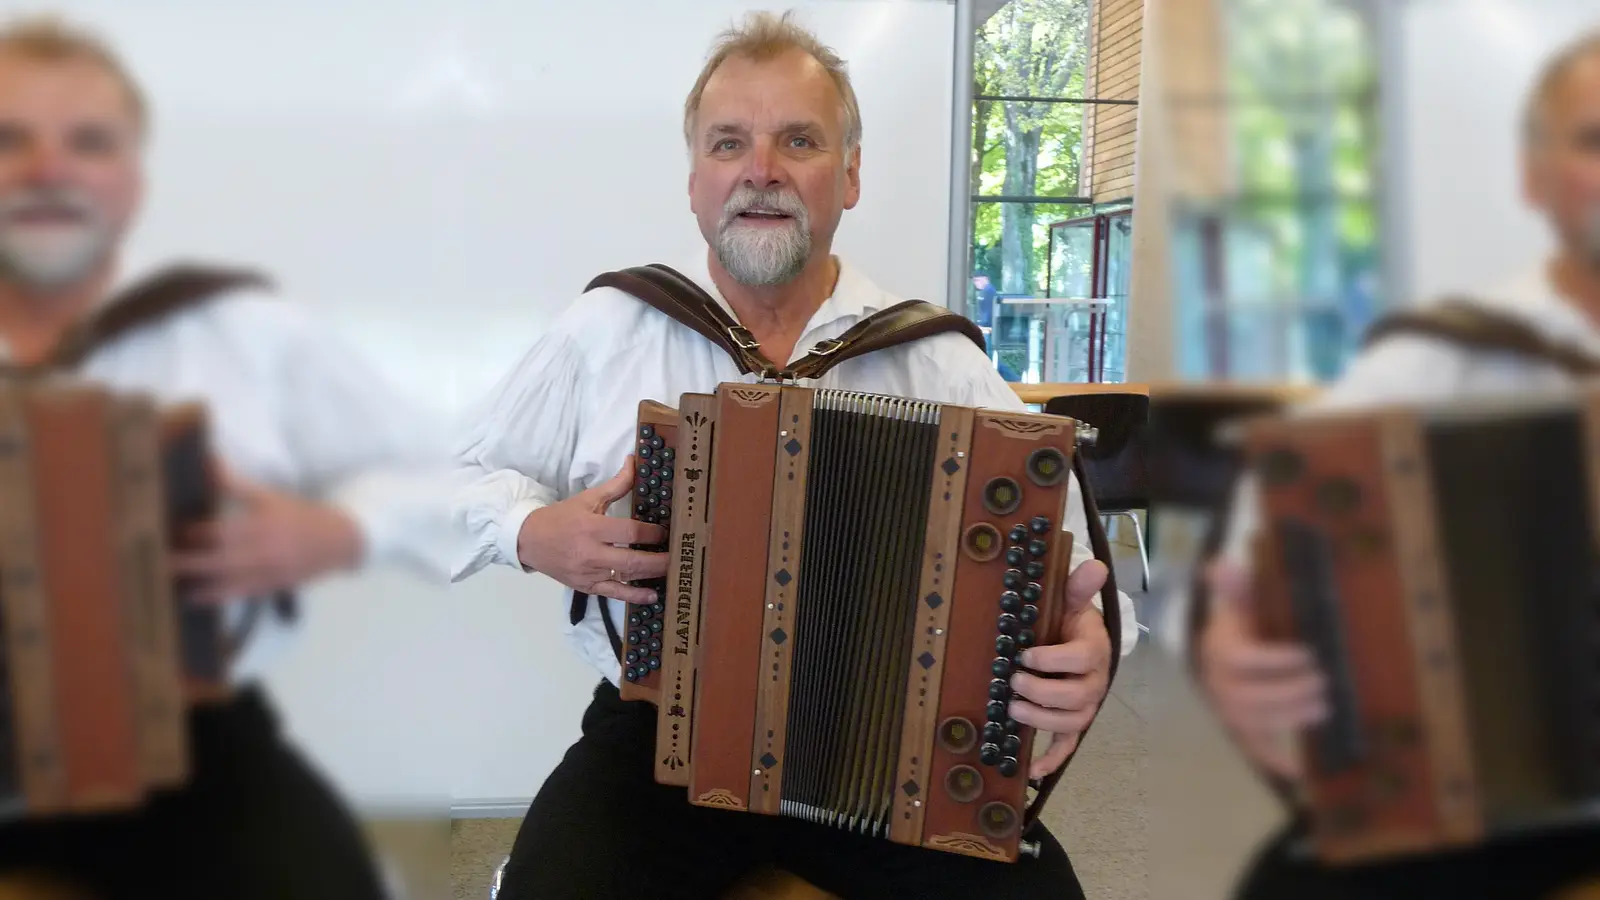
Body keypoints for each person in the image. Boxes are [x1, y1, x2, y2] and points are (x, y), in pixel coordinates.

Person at [450, 11, 1140, 900]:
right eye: (729, 142)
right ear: (695, 179)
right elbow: (454, 485)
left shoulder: (936, 357)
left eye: (799, 141)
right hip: (658, 741)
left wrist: (1077, 640)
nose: (760, 170)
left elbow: (1067, 559)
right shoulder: (606, 331)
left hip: (897, 737)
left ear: (850, 174)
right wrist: (531, 531)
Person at [0, 15, 454, 900]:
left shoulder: (236, 331)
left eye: (87, 143)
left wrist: (334, 531)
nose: (48, 169)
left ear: (132, 180)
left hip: (192, 751)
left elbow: (442, 474)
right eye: (10, 138)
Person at [1194, 29, 1600, 900]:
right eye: (1595, 140)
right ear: (1534, 178)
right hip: (1518, 802)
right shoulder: (1457, 353)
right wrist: (1234, 641)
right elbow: (1275, 502)